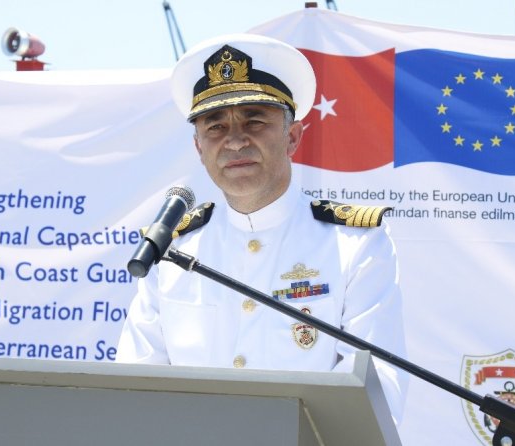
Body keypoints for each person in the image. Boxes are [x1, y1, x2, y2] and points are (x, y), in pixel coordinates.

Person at [117, 33, 407, 423]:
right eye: (215, 127)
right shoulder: (171, 252)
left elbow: (375, 387)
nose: (235, 141)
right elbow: (135, 385)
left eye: (254, 121)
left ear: (293, 137)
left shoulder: (355, 243)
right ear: (199, 148)